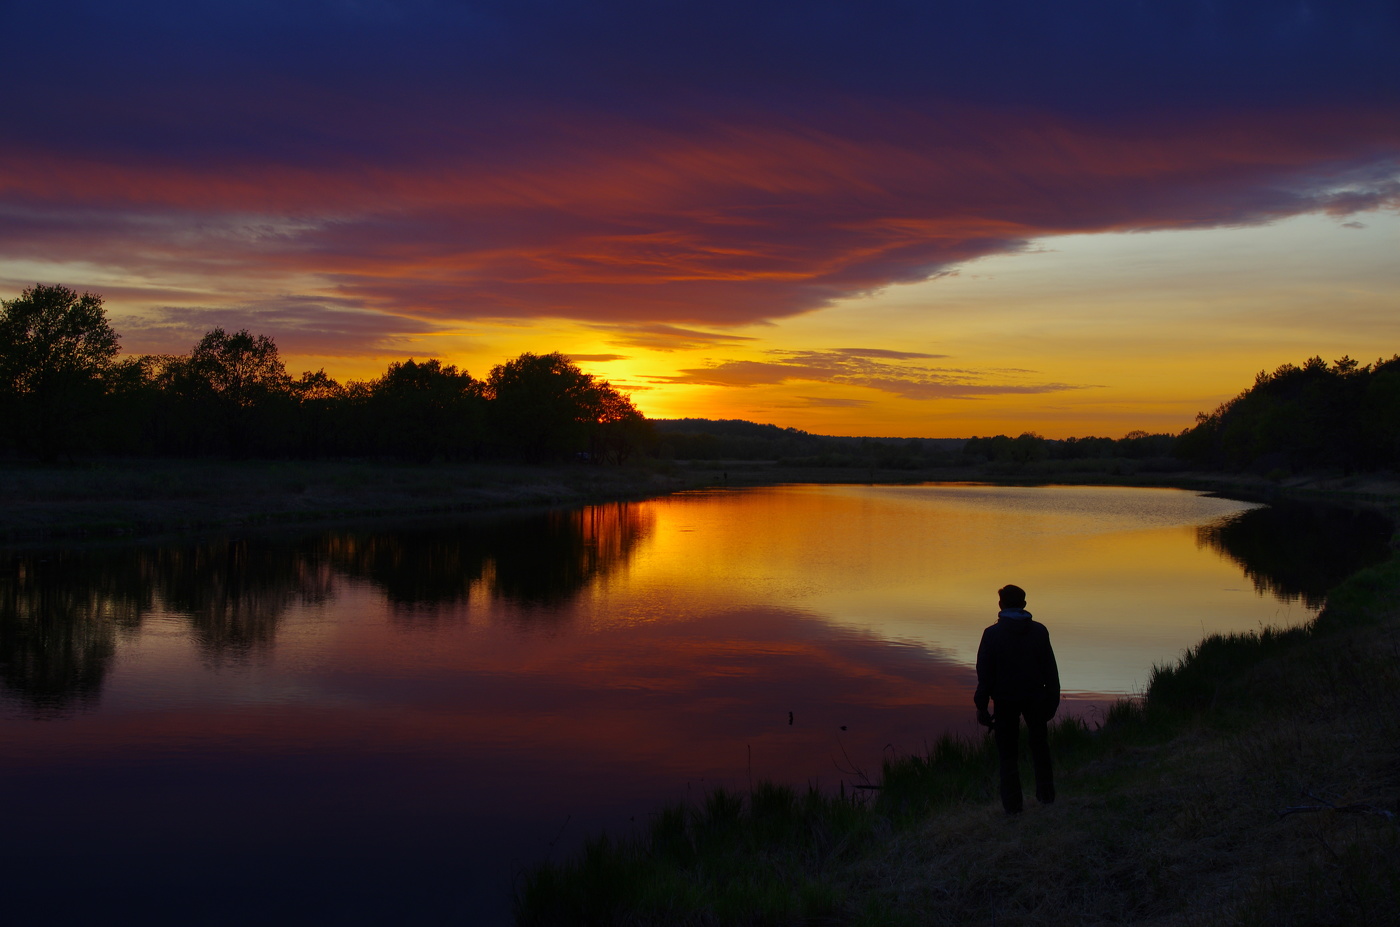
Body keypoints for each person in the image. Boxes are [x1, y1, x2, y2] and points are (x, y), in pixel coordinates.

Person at [974, 584, 1060, 814]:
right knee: (1040, 748)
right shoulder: (1039, 631)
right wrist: (1052, 701)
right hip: (1036, 698)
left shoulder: (992, 634)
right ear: (1023, 604)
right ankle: (1047, 799)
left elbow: (985, 674)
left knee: (1008, 754)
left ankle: (1013, 809)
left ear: (1001, 605)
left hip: (1005, 700)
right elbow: (1051, 671)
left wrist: (981, 706)